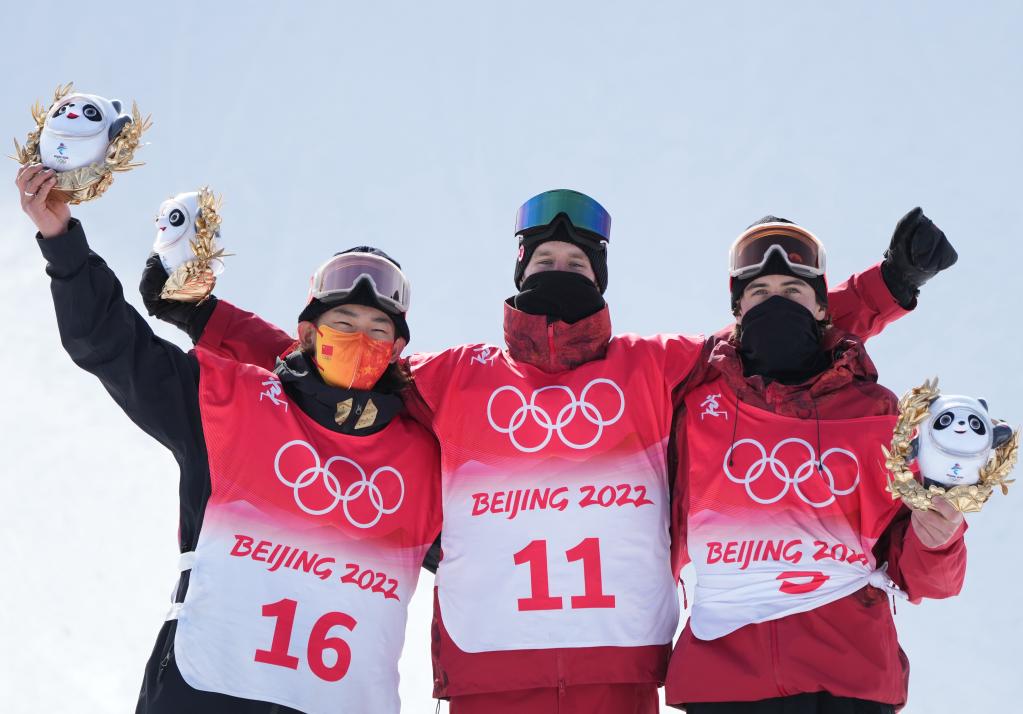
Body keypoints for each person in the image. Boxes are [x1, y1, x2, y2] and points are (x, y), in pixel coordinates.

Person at [141, 189, 953, 713]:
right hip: (492, 670)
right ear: (519, 270)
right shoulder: (456, 377)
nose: (560, 270)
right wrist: (205, 319)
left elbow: (771, 333)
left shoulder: (653, 366)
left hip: (615, 673)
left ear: (600, 280)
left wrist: (885, 286)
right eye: (546, 260)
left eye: (575, 263)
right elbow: (336, 368)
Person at [16, 163, 441, 714]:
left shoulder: (422, 461)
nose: (361, 339)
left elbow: (508, 547)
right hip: (203, 693)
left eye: (378, 330)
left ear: (398, 352)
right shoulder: (234, 402)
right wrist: (62, 241)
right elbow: (112, 346)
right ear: (308, 335)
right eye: (343, 324)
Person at [663, 216, 967, 713]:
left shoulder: (875, 413)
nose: (776, 303)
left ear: (824, 308)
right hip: (723, 682)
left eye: (793, 291)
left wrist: (939, 541)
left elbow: (925, 575)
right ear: (737, 311)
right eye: (759, 293)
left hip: (848, 681)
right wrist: (888, 285)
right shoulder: (696, 403)